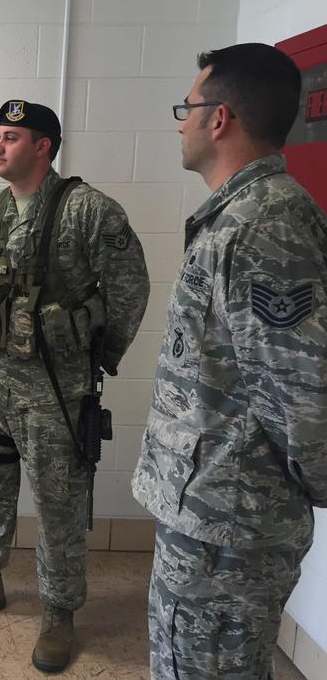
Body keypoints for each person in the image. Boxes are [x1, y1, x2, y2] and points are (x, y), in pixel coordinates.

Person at [0, 100, 150, 673]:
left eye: (13, 136)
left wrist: (100, 354)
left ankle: (59, 612)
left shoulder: (88, 210)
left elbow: (130, 288)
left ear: (44, 145)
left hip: (53, 390)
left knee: (58, 506)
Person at [132, 43, 327, 680]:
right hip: (210, 517)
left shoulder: (264, 223)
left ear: (220, 119)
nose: (181, 122)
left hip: (230, 533)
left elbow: (305, 396)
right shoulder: (236, 217)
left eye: (186, 108)